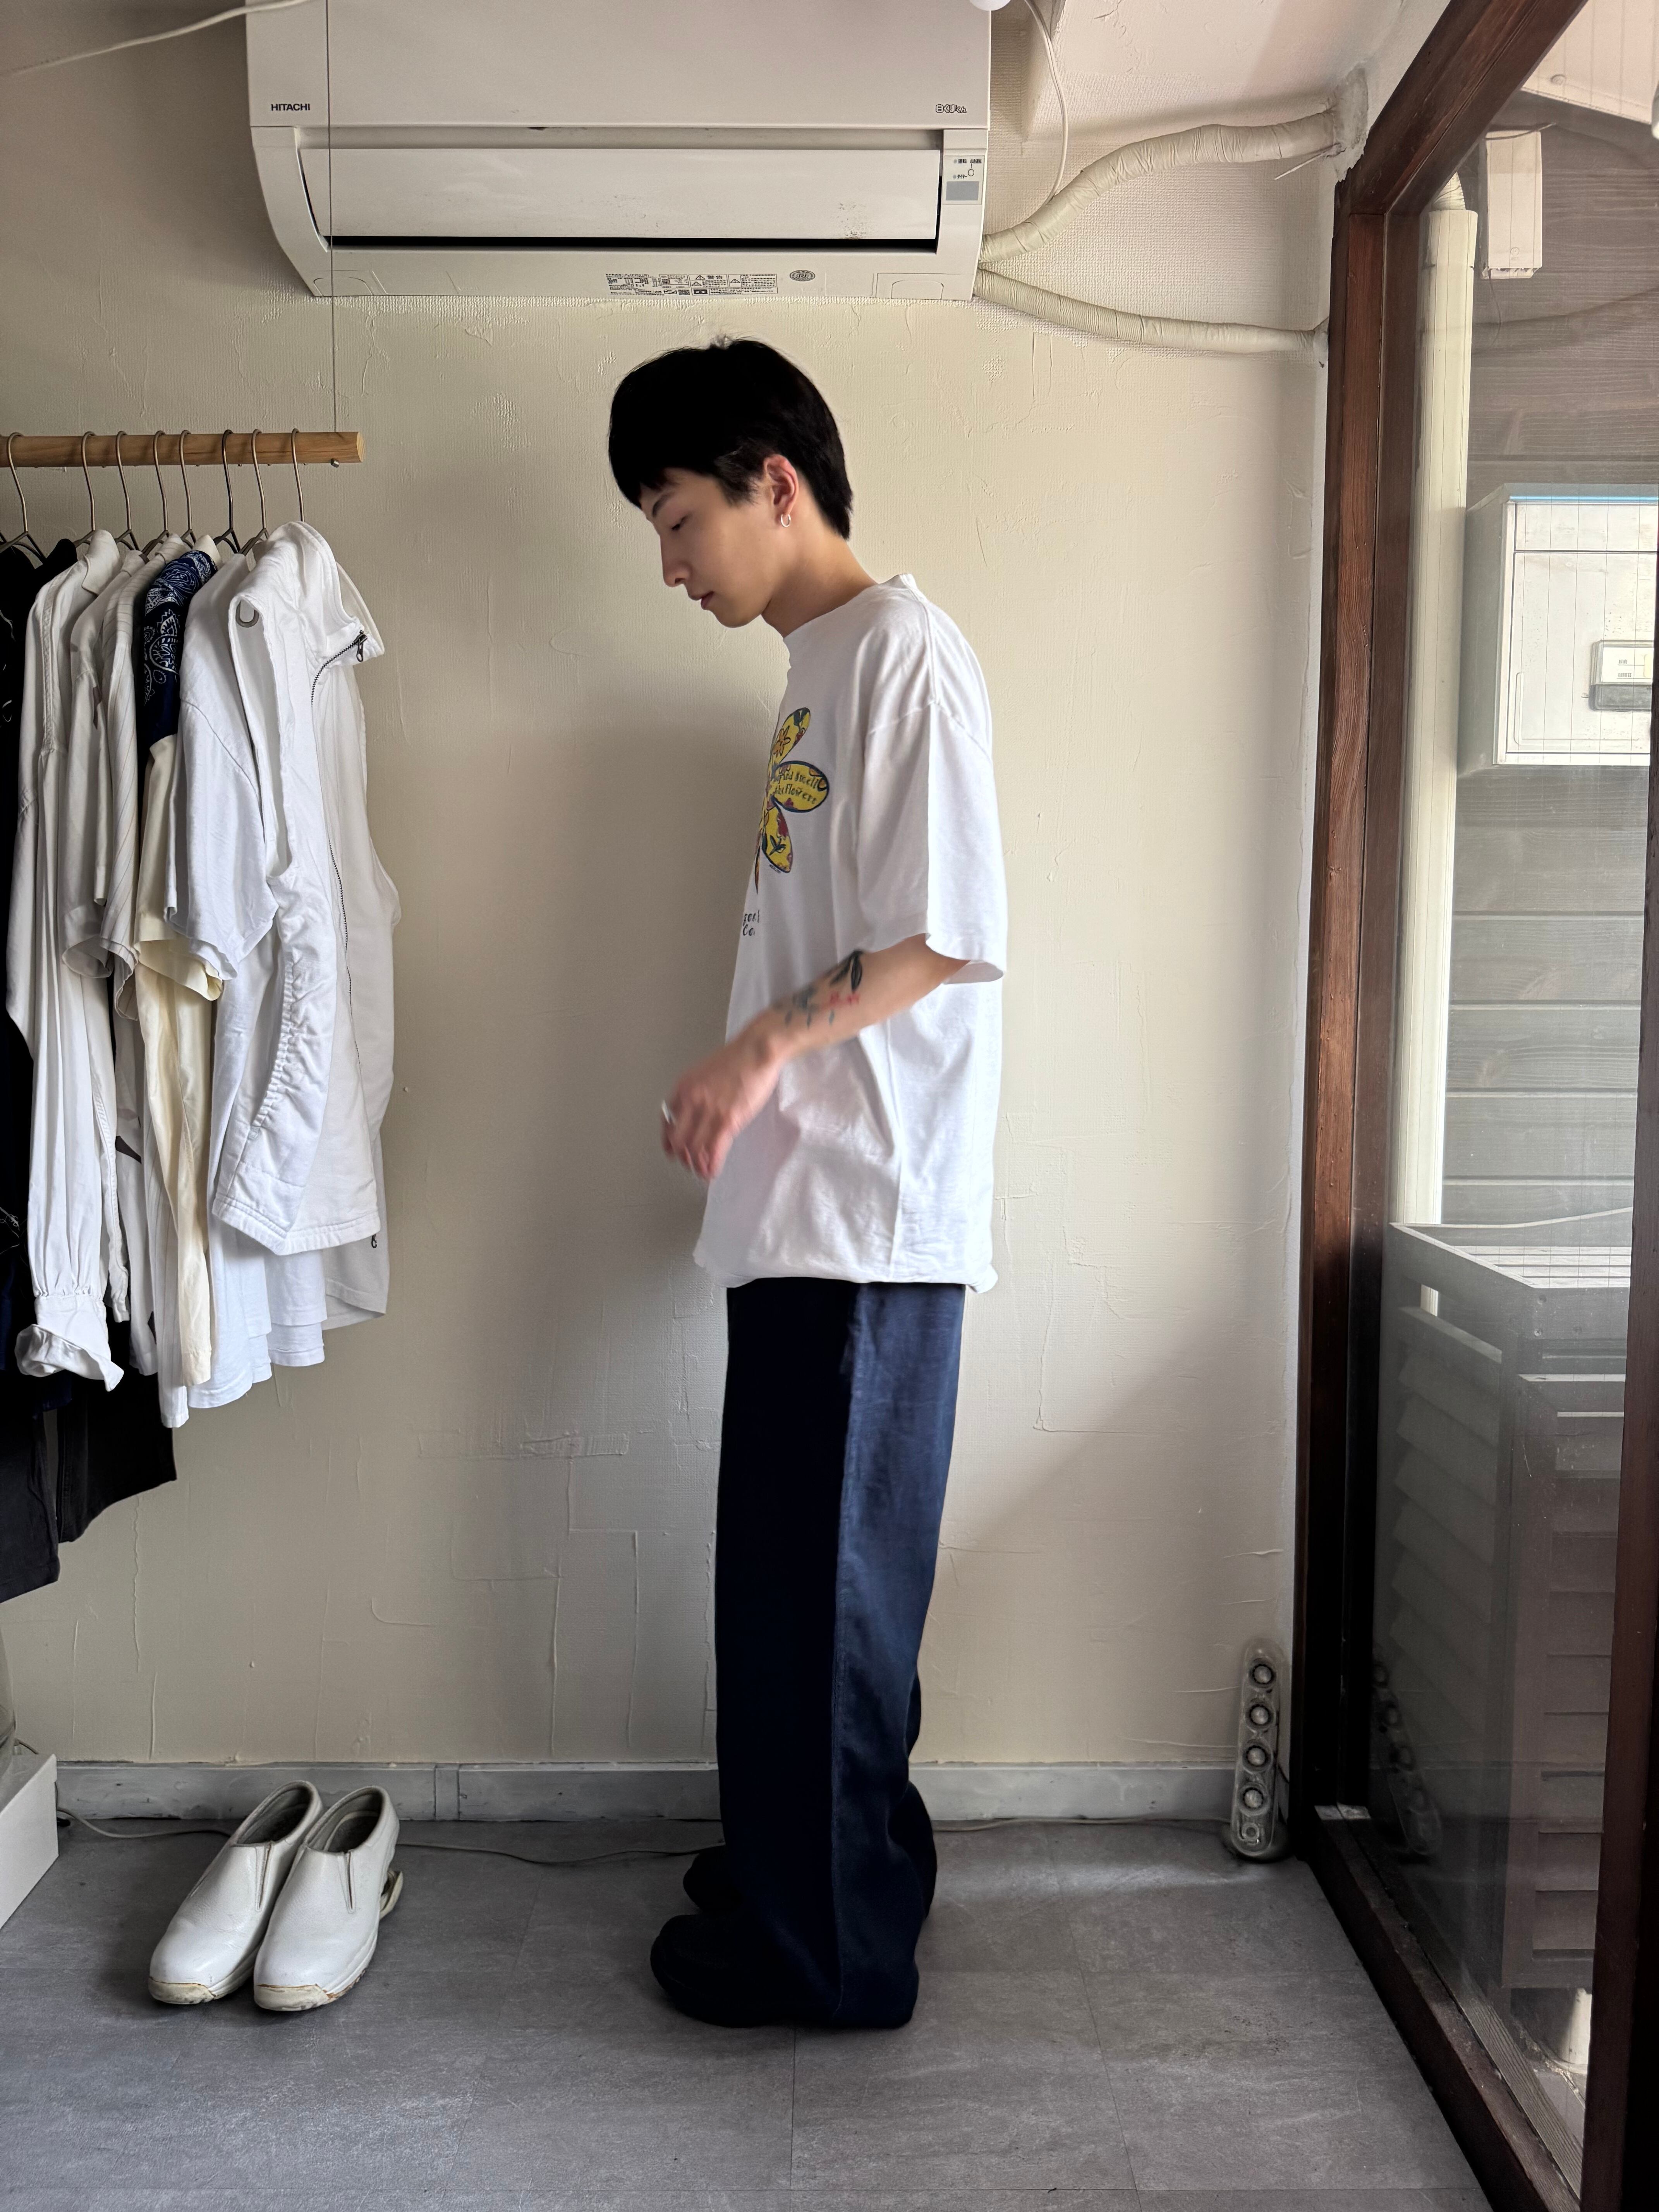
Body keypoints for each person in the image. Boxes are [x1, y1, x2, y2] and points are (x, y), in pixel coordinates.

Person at [608, 338, 1006, 2029]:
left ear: (775, 484)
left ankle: (828, 1951)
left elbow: (940, 935)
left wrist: (757, 1051)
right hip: (813, 1215)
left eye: (677, 519)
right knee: (795, 1588)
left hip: (869, 1214)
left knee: (825, 1597)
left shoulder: (901, 653)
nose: (670, 565)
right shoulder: (820, 666)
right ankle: (818, 1866)